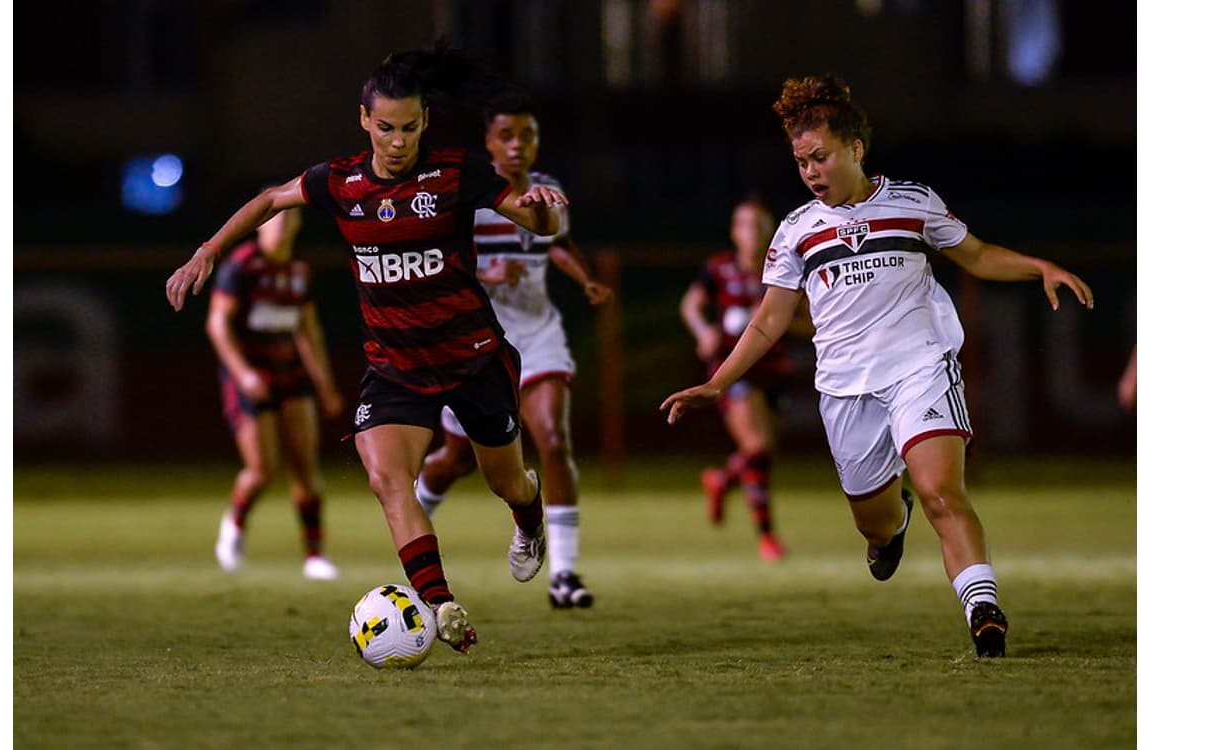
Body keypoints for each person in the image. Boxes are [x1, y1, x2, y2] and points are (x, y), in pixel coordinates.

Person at [661, 74, 1094, 658]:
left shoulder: (912, 203)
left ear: (856, 149)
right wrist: (718, 382)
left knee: (943, 490)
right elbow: (768, 320)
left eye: (821, 157)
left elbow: (976, 255)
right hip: (845, 389)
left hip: (920, 366)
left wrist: (1039, 266)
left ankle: (983, 609)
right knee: (876, 525)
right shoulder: (796, 231)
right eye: (801, 162)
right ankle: (891, 525)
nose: (811, 171)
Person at [166, 46, 569, 655]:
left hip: (474, 357)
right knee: (387, 479)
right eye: (386, 127)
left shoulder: (456, 173)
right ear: (364, 120)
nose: (398, 140)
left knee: (505, 480)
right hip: (396, 368)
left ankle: (528, 515)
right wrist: (209, 249)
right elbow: (272, 199)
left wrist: (544, 215)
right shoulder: (341, 181)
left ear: (425, 122)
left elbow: (529, 216)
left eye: (409, 127)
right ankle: (439, 604)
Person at [414, 88, 611, 610]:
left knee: (551, 436)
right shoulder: (470, 191)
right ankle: (410, 518)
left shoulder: (546, 189)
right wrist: (486, 271)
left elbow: (556, 245)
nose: (519, 145)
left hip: (538, 333)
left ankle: (565, 575)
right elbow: (442, 257)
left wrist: (585, 279)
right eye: (507, 135)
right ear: (488, 142)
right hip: (478, 339)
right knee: (455, 460)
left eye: (528, 134)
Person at [206, 205, 346, 580]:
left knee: (305, 467)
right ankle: (234, 524)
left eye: (288, 220)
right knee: (262, 470)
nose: (281, 227)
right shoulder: (242, 266)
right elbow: (218, 324)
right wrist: (243, 373)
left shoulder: (299, 271)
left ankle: (314, 556)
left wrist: (324, 384)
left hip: (290, 375)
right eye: (274, 220)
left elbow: (308, 330)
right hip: (250, 377)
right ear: (260, 227)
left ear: (297, 225)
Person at [679, 197, 813, 562]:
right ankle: (767, 537)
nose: (752, 233)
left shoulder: (785, 270)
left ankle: (723, 479)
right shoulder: (719, 268)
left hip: (774, 371)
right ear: (734, 232)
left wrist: (779, 321)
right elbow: (690, 305)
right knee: (757, 447)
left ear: (771, 231)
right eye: (745, 225)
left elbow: (809, 322)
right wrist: (703, 331)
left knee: (763, 451)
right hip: (732, 369)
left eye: (759, 225)